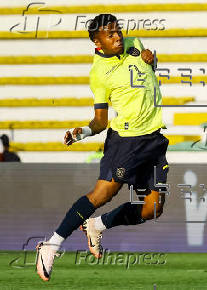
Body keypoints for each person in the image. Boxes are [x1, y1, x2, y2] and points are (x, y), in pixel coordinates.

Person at [36, 14, 169, 281]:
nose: (117, 36)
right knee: (102, 195)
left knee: (153, 209)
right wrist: (82, 132)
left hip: (153, 139)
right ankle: (51, 245)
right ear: (98, 43)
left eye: (117, 30)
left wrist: (152, 61)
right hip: (126, 141)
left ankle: (97, 225)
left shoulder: (135, 43)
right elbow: (100, 121)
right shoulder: (98, 74)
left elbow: (148, 78)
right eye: (110, 34)